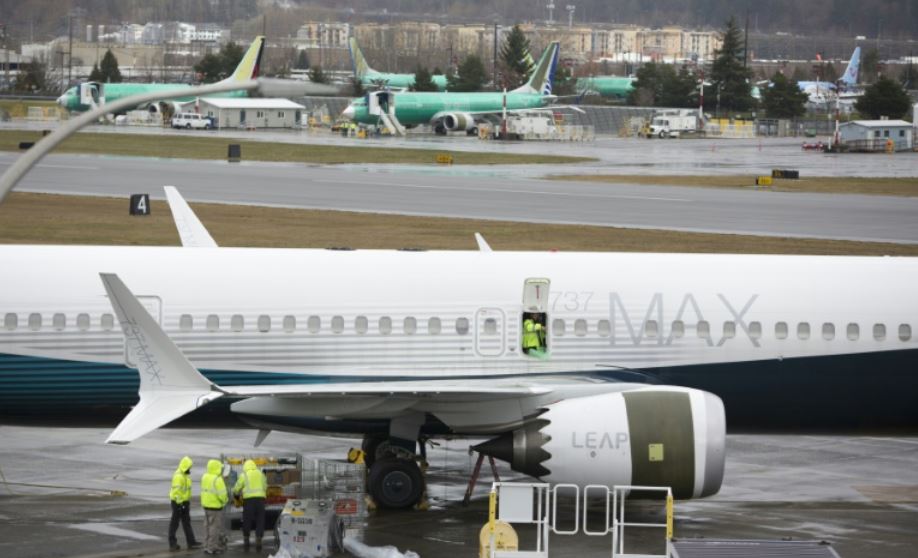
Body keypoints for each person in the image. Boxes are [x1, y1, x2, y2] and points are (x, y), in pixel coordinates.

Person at [233, 459, 267, 551]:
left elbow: (237, 488)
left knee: (247, 519)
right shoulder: (261, 474)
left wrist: (236, 494)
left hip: (248, 501)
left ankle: (246, 538)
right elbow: (265, 486)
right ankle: (259, 538)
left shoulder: (244, 475)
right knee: (260, 519)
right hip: (260, 500)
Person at [168, 456, 201, 551]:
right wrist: (180, 504)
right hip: (178, 503)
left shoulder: (185, 476)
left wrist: (185, 503)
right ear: (185, 466)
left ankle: (191, 542)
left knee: (187, 523)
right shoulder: (179, 476)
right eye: (189, 467)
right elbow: (177, 492)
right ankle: (172, 544)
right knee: (175, 523)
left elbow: (185, 491)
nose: (190, 469)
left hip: (184, 502)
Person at [200, 459, 228, 555]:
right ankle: (212, 547)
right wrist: (225, 501)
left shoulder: (205, 477)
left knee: (207, 526)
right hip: (215, 507)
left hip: (206, 506)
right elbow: (222, 494)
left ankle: (206, 545)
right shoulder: (218, 479)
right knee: (214, 528)